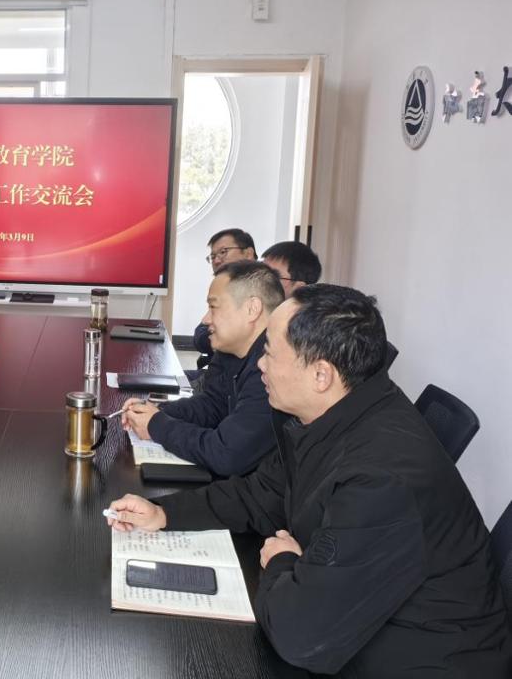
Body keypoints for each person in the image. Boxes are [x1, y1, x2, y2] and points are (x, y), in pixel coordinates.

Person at [109, 285, 512, 677]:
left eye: (270, 352)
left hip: (417, 659)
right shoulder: (329, 415)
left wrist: (282, 561)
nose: (260, 365)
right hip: (359, 629)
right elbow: (261, 493)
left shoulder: (381, 478)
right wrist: (164, 513)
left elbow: (300, 637)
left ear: (321, 374)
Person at [122, 260, 283, 476]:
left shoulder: (274, 368)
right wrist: (156, 412)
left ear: (252, 309)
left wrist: (157, 425)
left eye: (213, 307)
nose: (205, 319)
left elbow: (227, 454)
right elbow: (212, 405)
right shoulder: (232, 349)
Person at [190, 228, 257, 388]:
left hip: (230, 382)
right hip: (216, 373)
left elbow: (203, 338)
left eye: (223, 252)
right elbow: (200, 337)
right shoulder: (224, 286)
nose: (217, 260)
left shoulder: (259, 289)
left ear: (248, 253)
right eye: (213, 256)